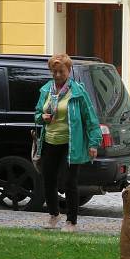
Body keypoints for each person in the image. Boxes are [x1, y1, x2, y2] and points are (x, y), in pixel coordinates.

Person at [35, 53, 102, 232]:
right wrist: (42, 117)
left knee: (69, 181)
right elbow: (37, 115)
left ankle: (71, 221)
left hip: (71, 144)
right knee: (48, 180)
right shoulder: (45, 90)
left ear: (69, 71)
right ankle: (53, 215)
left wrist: (93, 143)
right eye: (54, 71)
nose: (57, 75)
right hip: (50, 141)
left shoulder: (78, 91)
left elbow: (90, 118)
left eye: (61, 71)